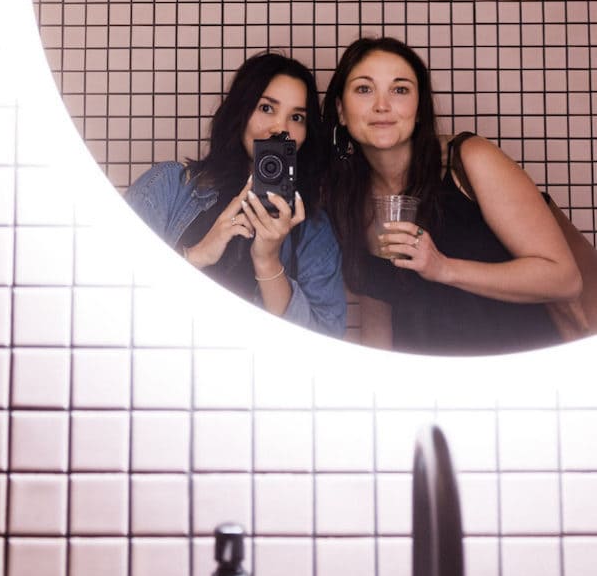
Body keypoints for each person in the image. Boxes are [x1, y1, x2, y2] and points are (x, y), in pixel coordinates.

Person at [322, 35, 583, 356]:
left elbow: (564, 279)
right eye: (364, 89)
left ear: (419, 109)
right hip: (435, 394)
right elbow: (378, 323)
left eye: (400, 89)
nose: (382, 105)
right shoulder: (346, 200)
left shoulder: (469, 161)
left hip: (520, 379)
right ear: (341, 110)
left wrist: (443, 268)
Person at [126, 52, 347, 337]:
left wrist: (268, 261)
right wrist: (196, 255)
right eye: (267, 108)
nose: (281, 128)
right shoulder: (169, 186)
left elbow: (326, 344)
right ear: (240, 112)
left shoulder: (313, 230)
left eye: (297, 117)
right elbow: (107, 293)